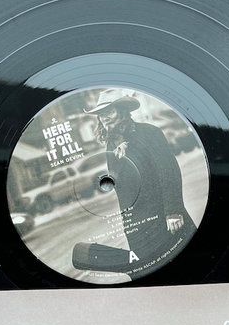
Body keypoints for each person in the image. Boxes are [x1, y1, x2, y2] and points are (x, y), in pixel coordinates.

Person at [72, 91, 197, 275]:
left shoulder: (150, 133)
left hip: (164, 217)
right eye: (101, 114)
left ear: (123, 110)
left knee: (187, 266)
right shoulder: (110, 147)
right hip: (138, 227)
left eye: (109, 111)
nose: (104, 118)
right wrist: (128, 225)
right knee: (147, 274)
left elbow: (168, 171)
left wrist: (173, 211)